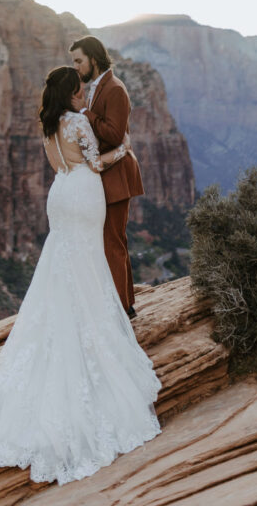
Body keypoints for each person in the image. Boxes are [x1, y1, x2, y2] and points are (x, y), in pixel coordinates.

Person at [0, 66, 161, 485]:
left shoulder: (49, 127)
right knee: (87, 265)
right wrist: (125, 151)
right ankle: (93, 340)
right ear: (69, 93)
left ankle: (62, 332)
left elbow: (64, 164)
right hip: (84, 195)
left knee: (61, 266)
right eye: (80, 89)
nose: (84, 93)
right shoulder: (79, 122)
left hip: (60, 195)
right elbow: (96, 164)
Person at [69, 36, 144, 318]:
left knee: (113, 240)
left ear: (93, 59)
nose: (76, 67)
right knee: (113, 239)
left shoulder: (114, 89)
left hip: (117, 176)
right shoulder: (99, 87)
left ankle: (122, 309)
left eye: (79, 61)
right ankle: (126, 303)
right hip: (108, 174)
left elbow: (114, 134)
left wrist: (84, 112)